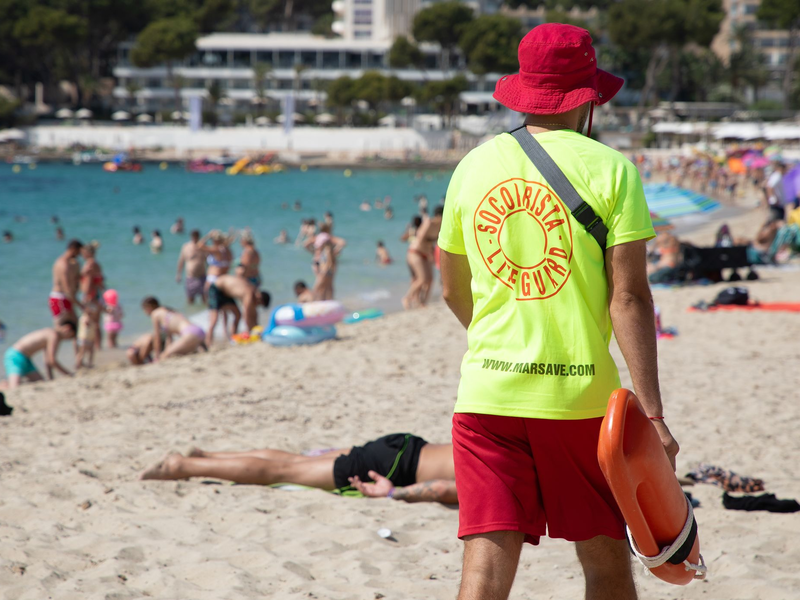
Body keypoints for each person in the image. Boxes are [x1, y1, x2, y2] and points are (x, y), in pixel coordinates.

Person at [437, 24, 678, 600]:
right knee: (605, 565)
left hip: (486, 397)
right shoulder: (613, 170)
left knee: (484, 573)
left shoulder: (473, 166)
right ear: (588, 97)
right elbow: (630, 297)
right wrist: (653, 416)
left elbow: (450, 288)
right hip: (580, 405)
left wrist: (502, 342)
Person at [139, 433, 457, 505]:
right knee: (283, 472)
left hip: (406, 445)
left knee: (296, 461)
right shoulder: (507, 481)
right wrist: (393, 493)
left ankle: (208, 454)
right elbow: (443, 489)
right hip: (395, 468)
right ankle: (183, 465)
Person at [1, 321, 76, 389]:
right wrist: (68, 374)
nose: (67, 339)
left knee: (40, 382)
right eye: (70, 336)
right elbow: (52, 360)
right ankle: (3, 384)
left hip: (26, 359)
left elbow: (47, 359)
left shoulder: (49, 332)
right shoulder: (54, 335)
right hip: (15, 356)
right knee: (14, 387)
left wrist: (50, 378)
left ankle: (9, 382)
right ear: (67, 328)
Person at [206, 274, 271, 345]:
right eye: (259, 304)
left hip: (226, 293)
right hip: (216, 288)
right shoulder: (249, 294)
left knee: (237, 315)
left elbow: (253, 313)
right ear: (259, 298)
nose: (257, 306)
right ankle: (208, 342)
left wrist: (257, 327)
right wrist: (251, 332)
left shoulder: (253, 291)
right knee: (214, 319)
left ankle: (232, 338)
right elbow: (247, 315)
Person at [402, 206, 442, 309]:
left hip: (426, 254)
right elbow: (420, 238)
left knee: (430, 280)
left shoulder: (440, 226)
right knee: (421, 279)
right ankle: (407, 298)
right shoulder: (429, 222)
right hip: (416, 252)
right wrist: (429, 254)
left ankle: (422, 303)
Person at [141, 297, 205, 360]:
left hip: (190, 334)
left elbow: (157, 338)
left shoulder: (155, 313)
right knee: (170, 352)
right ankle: (199, 348)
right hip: (199, 331)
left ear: (149, 307)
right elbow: (169, 338)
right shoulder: (168, 310)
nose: (144, 312)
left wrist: (157, 356)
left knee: (164, 356)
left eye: (144, 309)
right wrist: (167, 350)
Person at [50, 239, 83, 326]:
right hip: (59, 298)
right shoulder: (63, 265)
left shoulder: (69, 263)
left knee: (76, 326)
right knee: (60, 328)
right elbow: (66, 289)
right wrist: (80, 304)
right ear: (73, 249)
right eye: (78, 252)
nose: (79, 255)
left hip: (64, 298)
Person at [176, 229, 208, 304]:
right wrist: (178, 274)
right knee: (190, 299)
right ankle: (190, 313)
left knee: (205, 298)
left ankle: (206, 313)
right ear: (191, 237)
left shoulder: (203, 247)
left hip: (202, 276)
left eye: (196, 237)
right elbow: (181, 261)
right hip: (190, 277)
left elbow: (208, 260)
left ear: (199, 237)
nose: (195, 238)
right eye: (193, 236)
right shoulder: (186, 246)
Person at [75, 303, 99, 369]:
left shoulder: (86, 318)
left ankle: (88, 364)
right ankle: (79, 364)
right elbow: (87, 323)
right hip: (84, 338)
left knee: (89, 352)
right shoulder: (85, 318)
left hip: (88, 338)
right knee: (82, 353)